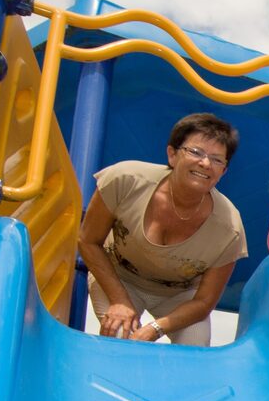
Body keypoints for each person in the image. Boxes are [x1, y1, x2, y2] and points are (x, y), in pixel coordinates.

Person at [77, 112, 248, 345]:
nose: (205, 163)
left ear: (223, 172)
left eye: (217, 160)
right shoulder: (125, 180)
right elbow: (88, 240)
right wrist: (119, 300)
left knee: (194, 352)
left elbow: (205, 302)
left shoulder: (230, 228)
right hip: (120, 277)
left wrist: (155, 328)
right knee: (121, 334)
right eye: (196, 152)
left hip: (179, 295)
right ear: (172, 154)